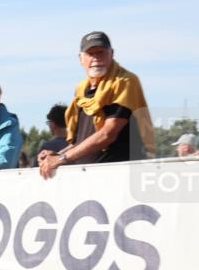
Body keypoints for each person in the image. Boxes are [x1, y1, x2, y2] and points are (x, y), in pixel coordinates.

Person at [39, 32, 155, 179]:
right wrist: (55, 156)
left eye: (101, 52)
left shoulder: (124, 82)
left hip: (122, 179)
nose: (96, 58)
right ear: (80, 58)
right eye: (90, 53)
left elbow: (108, 134)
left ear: (111, 54)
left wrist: (61, 159)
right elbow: (80, 143)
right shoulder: (81, 91)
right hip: (88, 179)